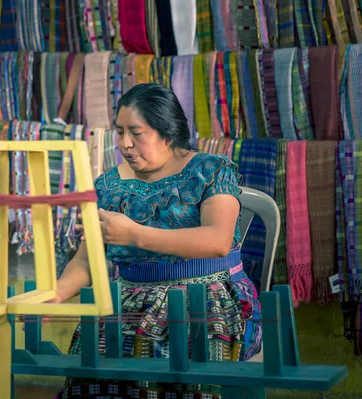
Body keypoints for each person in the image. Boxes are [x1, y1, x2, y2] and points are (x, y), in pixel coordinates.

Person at [54, 83, 262, 399]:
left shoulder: (210, 170)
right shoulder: (108, 185)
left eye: (136, 133)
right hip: (130, 300)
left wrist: (135, 234)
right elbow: (87, 260)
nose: (125, 144)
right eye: (119, 131)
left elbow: (218, 240)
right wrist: (55, 294)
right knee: (94, 358)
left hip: (206, 295)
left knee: (177, 363)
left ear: (167, 132)